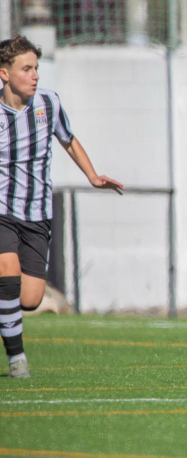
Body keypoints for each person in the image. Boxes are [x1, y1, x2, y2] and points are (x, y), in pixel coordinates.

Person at [0, 36, 124, 378]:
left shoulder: (48, 104)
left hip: (38, 215)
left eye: (36, 68)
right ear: (5, 74)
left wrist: (93, 175)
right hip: (2, 211)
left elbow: (68, 140)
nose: (35, 75)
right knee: (6, 272)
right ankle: (17, 359)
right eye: (26, 68)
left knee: (29, 299)